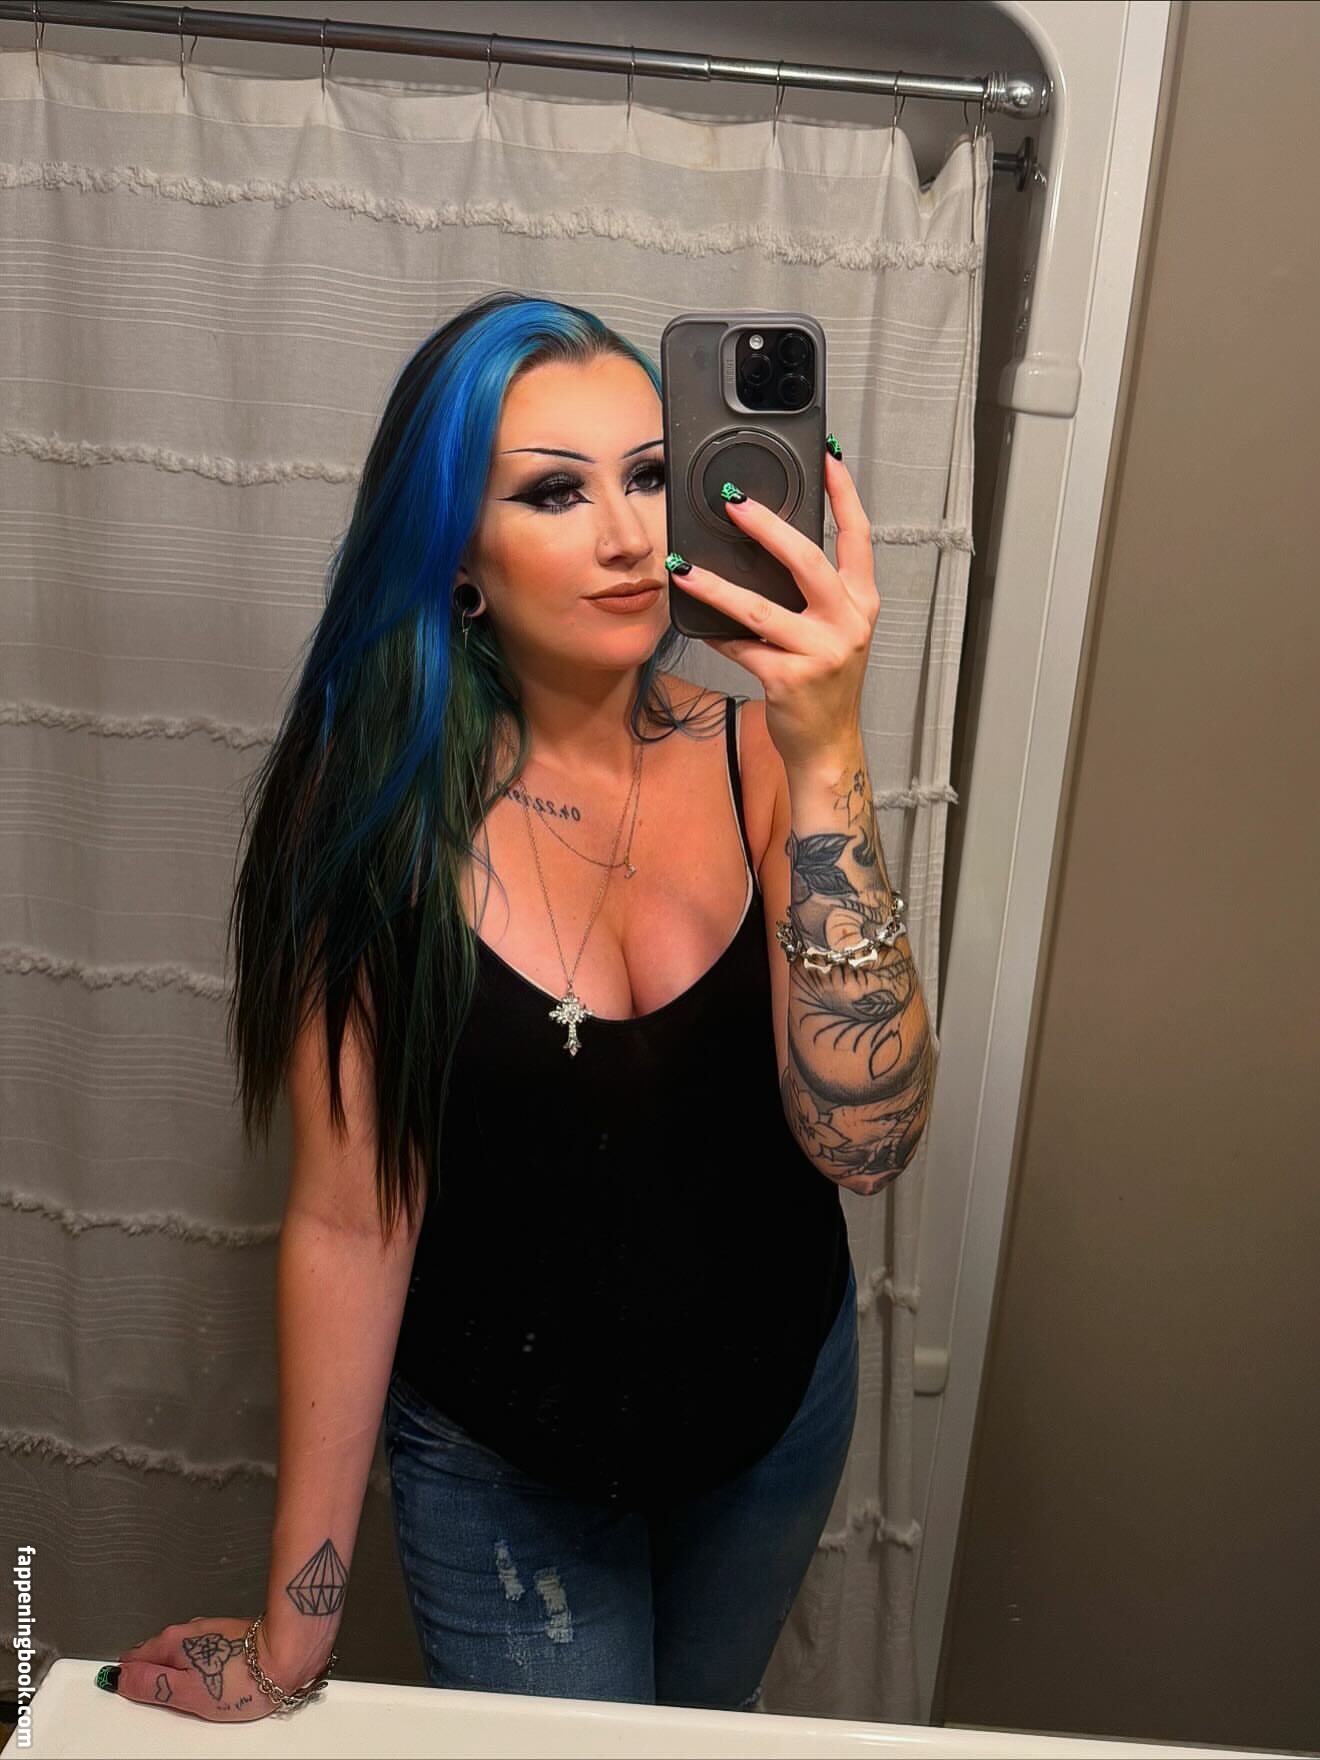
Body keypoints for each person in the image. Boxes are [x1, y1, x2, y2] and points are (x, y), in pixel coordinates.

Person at [103, 292, 925, 1723]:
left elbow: (868, 1143)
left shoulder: (768, 756)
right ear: (457, 557)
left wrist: (828, 744)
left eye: (651, 476)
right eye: (554, 491)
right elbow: (351, 1220)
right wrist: (295, 1633)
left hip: (772, 1425)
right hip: (507, 1469)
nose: (628, 536)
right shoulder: (371, 817)